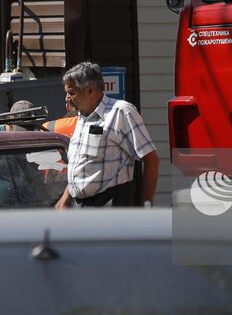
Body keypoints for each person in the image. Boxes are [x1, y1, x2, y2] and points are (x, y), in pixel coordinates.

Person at [55, 61, 159, 208]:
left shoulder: (121, 112)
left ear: (90, 90)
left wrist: (147, 205)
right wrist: (65, 198)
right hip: (80, 209)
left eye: (72, 93)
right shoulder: (82, 117)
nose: (67, 98)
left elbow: (151, 160)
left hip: (109, 209)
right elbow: (83, 166)